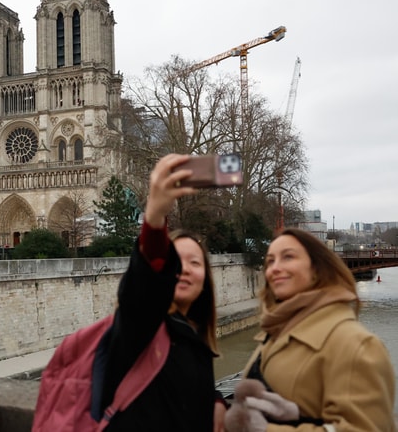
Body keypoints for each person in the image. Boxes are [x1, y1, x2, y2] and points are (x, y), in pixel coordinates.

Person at [96, 153, 225, 431]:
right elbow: (145, 283)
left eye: (195, 262)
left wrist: (214, 400)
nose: (186, 269)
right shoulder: (141, 325)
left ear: (207, 280)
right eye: (176, 260)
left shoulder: (194, 339)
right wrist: (155, 216)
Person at [224, 228, 396, 431]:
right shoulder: (276, 331)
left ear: (317, 269)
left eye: (288, 257)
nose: (275, 268)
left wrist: (266, 429)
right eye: (270, 260)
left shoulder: (355, 345)